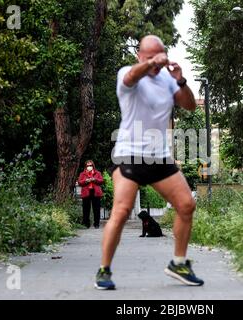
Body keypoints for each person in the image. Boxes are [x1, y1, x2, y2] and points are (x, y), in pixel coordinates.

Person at [94, 35, 204, 290]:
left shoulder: (167, 79)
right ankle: (104, 270)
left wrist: (180, 80)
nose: (155, 62)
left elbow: (189, 106)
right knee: (121, 211)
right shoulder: (129, 73)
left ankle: (179, 263)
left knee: (186, 205)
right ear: (140, 56)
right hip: (128, 155)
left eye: (159, 56)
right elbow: (131, 77)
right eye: (149, 57)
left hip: (159, 157)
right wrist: (150, 63)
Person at [78, 160, 104, 229]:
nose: (89, 167)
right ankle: (86, 224)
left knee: (96, 209)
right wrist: (86, 181)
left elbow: (101, 181)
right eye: (88, 166)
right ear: (85, 166)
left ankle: (96, 224)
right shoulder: (82, 174)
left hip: (95, 193)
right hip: (86, 192)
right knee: (86, 209)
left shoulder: (97, 173)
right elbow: (80, 182)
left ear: (93, 166)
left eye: (91, 165)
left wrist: (94, 179)